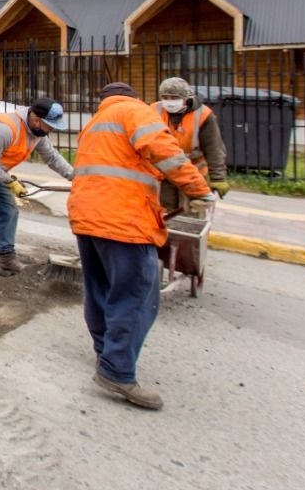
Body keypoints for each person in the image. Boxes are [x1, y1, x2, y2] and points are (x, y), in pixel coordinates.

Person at [68, 82, 211, 411]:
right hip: (123, 221)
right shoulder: (133, 111)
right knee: (137, 295)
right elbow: (165, 150)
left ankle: (106, 353)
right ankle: (117, 369)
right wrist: (198, 190)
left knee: (99, 288)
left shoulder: (94, 124)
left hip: (86, 216)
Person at [0, 96, 74, 297]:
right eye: (48, 125)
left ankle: (6, 259)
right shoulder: (6, 129)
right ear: (35, 118)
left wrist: (75, 177)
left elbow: (52, 157)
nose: (49, 130)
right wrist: (9, 181)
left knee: (9, 210)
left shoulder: (37, 134)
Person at [154, 77, 230, 210]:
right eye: (165, 97)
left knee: (193, 212)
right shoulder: (153, 111)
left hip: (194, 175)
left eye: (174, 97)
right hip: (163, 174)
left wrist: (218, 178)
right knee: (164, 213)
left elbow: (213, 148)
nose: (169, 101)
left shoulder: (203, 115)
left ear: (186, 98)